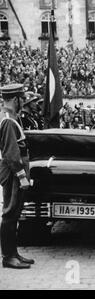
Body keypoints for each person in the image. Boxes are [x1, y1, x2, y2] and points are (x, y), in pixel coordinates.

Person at [0, 84, 34, 269]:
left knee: (15, 213)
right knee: (10, 213)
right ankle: (7, 257)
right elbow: (12, 154)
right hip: (14, 173)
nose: (24, 101)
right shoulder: (7, 121)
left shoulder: (10, 118)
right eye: (22, 98)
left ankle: (14, 253)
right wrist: (22, 177)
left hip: (15, 172)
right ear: (15, 99)